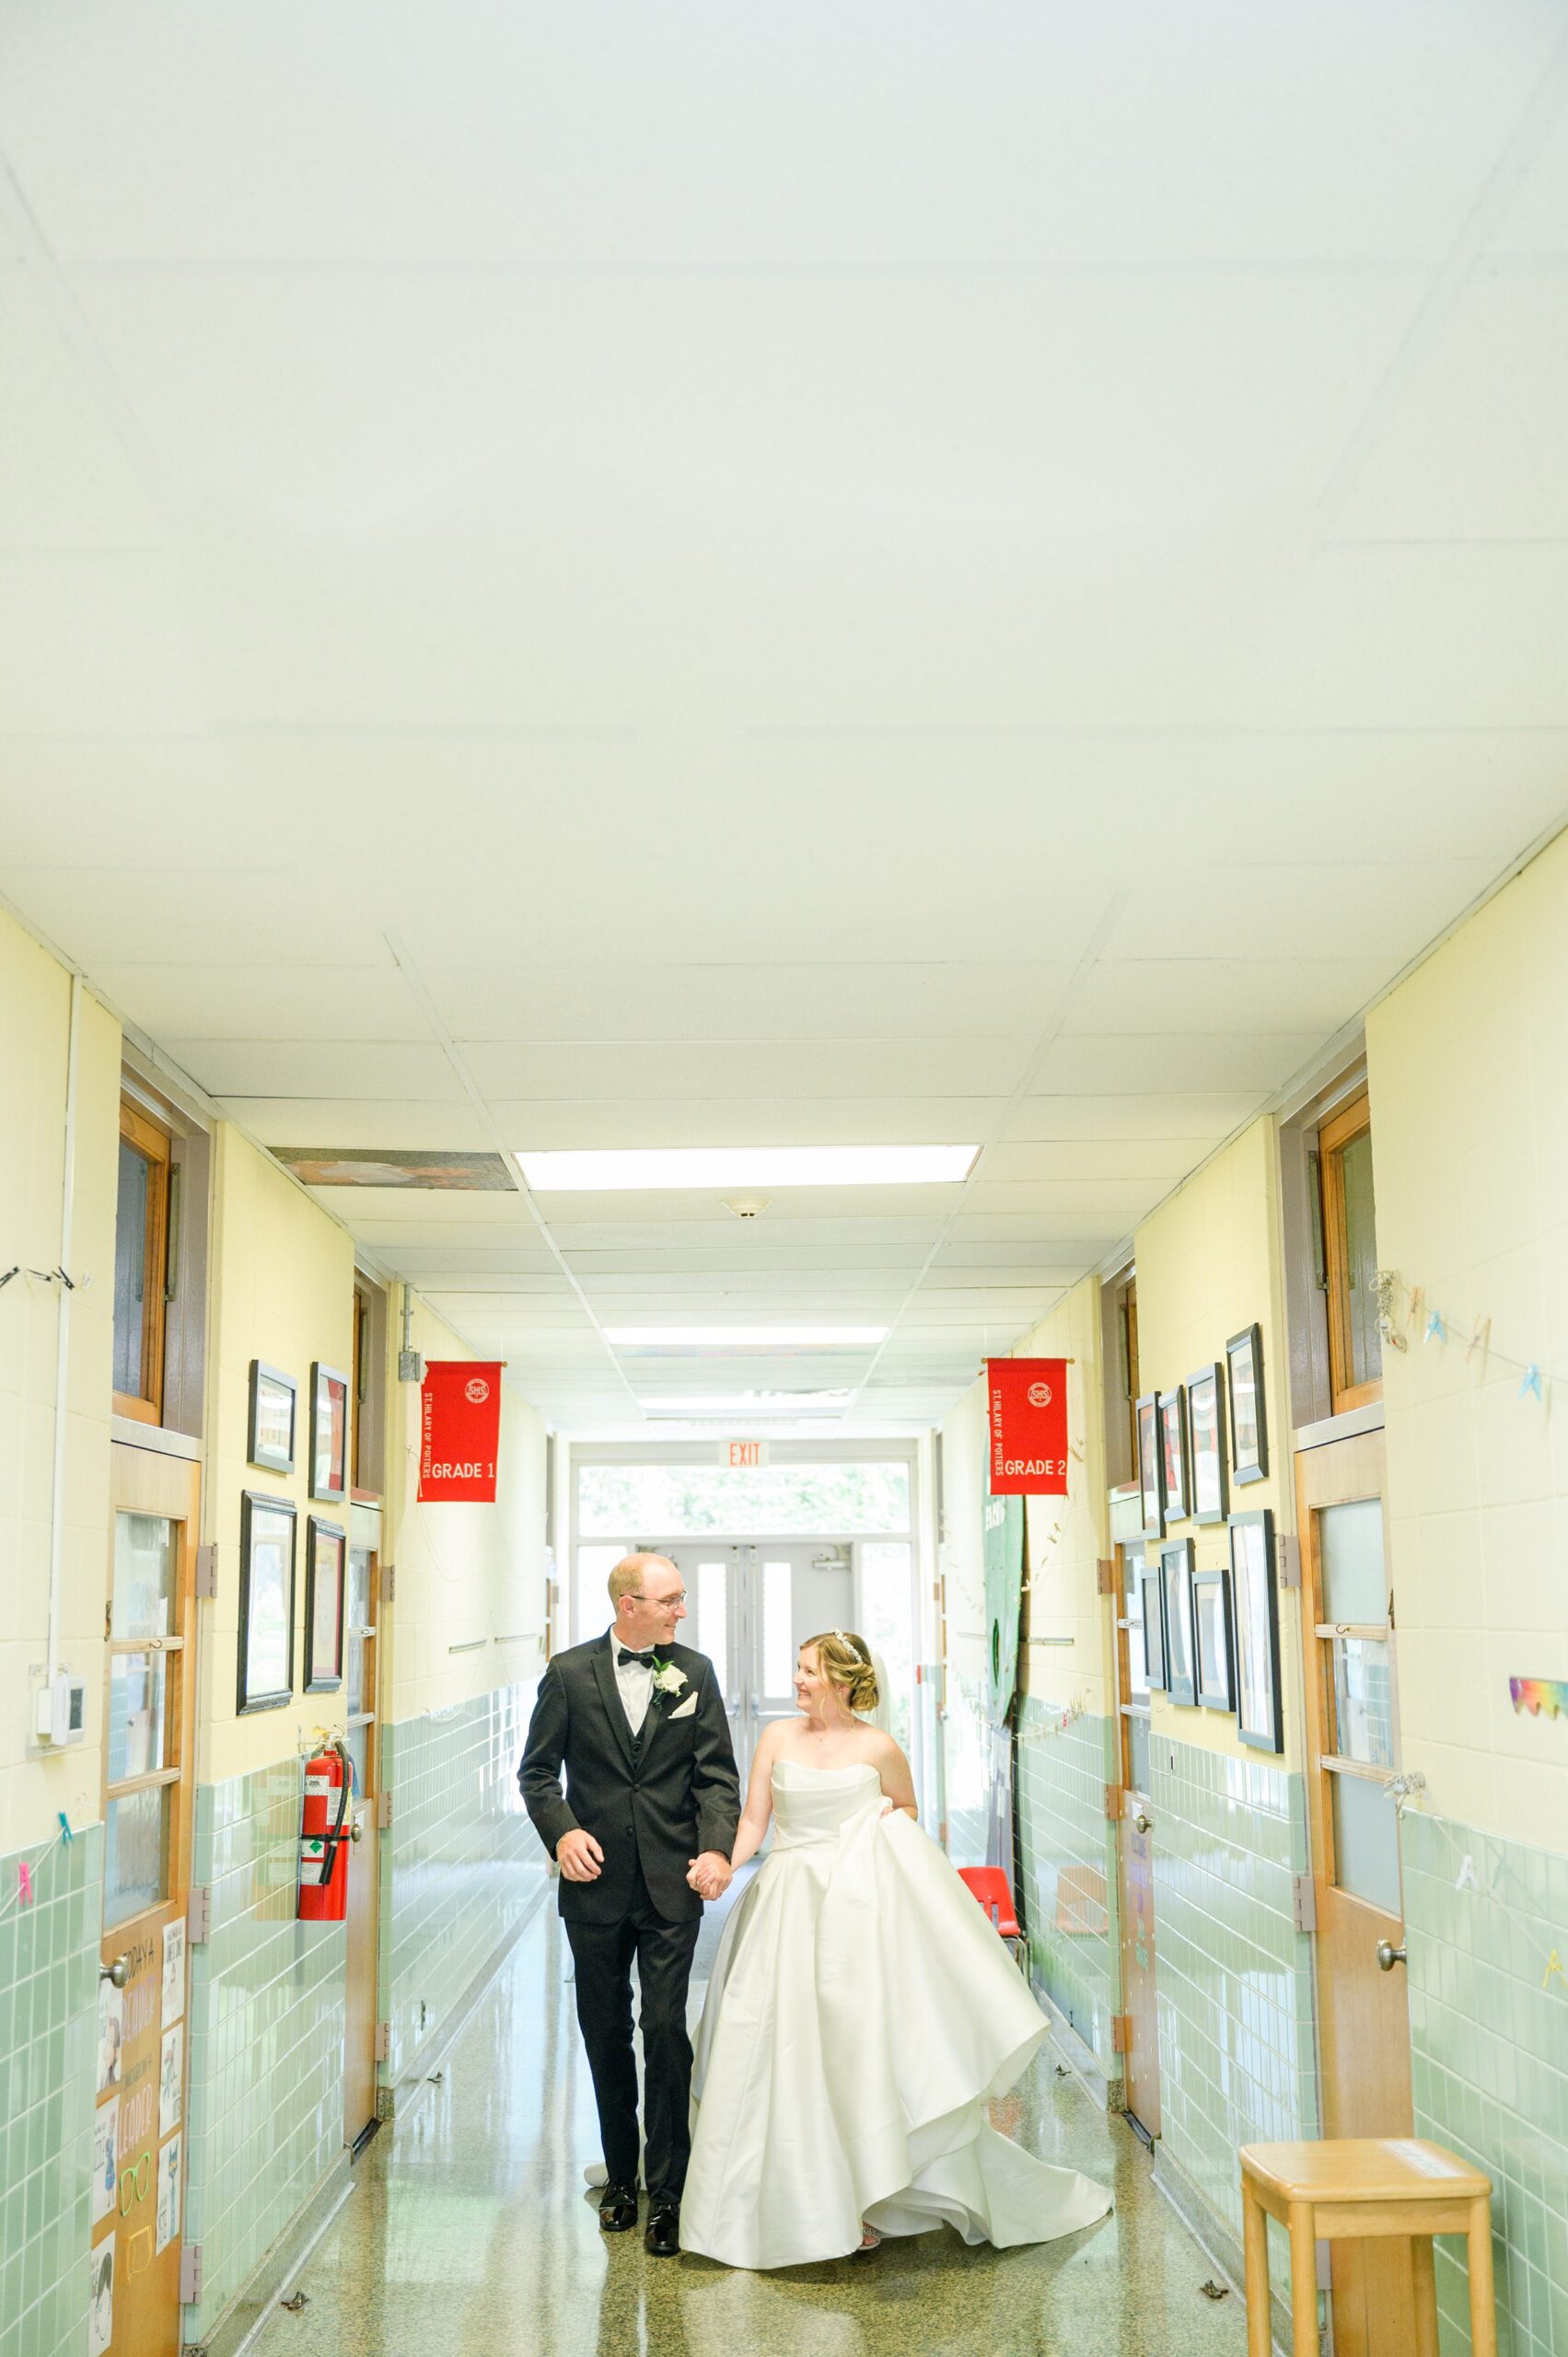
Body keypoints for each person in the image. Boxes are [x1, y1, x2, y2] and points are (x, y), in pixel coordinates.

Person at [679, 1631, 1111, 2270]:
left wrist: (882, 1831)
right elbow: (754, 1821)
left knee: (849, 2050)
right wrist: (722, 1865)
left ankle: (861, 2192)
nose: (796, 1680)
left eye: (806, 1671)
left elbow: (903, 1808)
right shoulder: (776, 1738)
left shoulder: (878, 1745)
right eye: (796, 1668)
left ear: (843, 1680)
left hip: (856, 1914)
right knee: (775, 2047)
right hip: (786, 1908)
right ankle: (773, 2196)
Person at [518, 1553, 740, 2257]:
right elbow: (535, 1774)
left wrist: (715, 1849)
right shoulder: (568, 1673)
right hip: (595, 1884)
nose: (681, 1611)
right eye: (669, 1599)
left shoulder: (695, 1672)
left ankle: (668, 2194)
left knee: (667, 2031)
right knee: (605, 2030)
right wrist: (563, 1833)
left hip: (673, 1883)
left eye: (680, 1599)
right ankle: (621, 2179)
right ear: (627, 1604)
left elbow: (716, 1779)